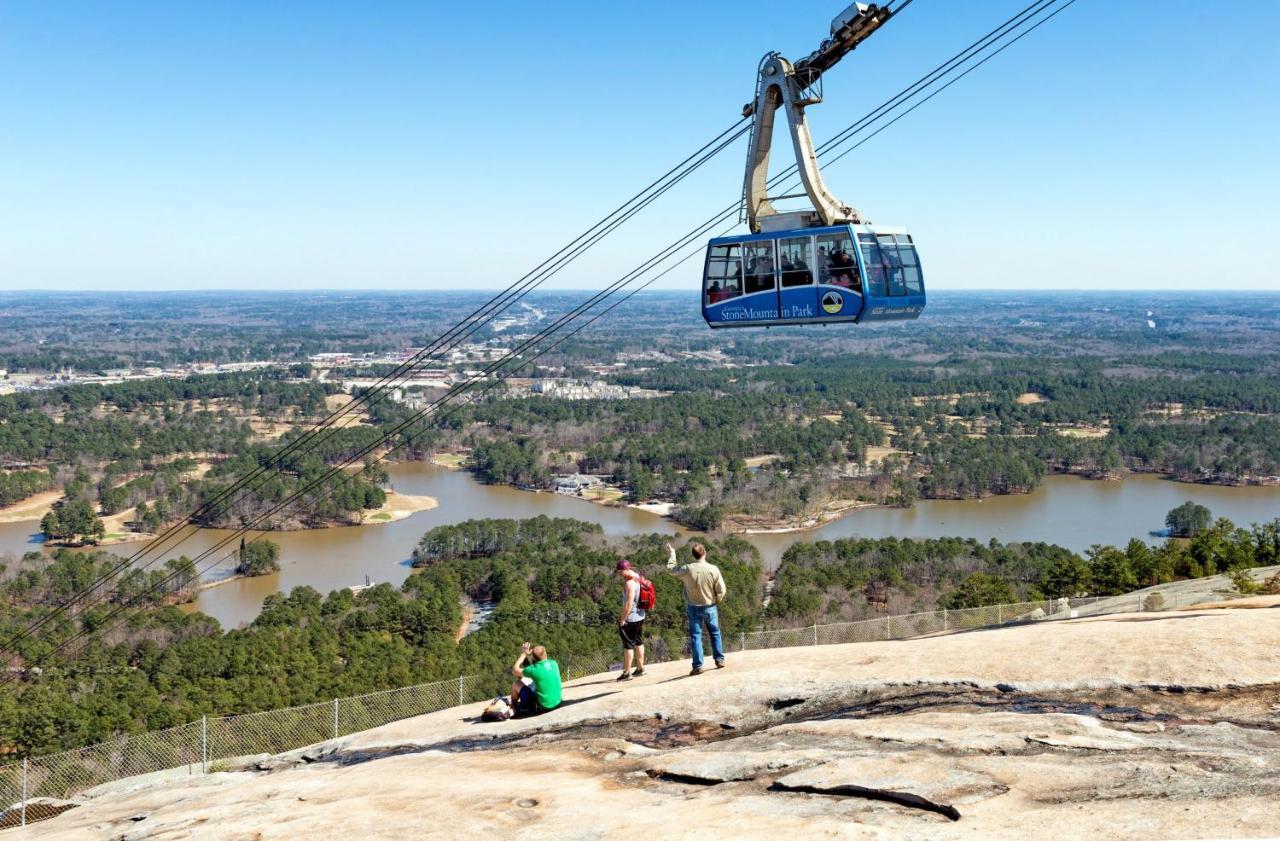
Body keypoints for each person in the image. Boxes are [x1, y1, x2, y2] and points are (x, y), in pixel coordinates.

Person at [665, 542, 727, 675]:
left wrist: (672, 554)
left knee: (696, 636)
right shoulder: (713, 569)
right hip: (710, 606)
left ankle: (698, 665)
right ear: (705, 553)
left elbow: (671, 569)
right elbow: (721, 589)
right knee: (715, 633)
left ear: (693, 555)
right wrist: (717, 600)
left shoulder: (688, 568)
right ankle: (719, 659)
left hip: (693, 607)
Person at [509, 641, 562, 717]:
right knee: (531, 681)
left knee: (517, 684)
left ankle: (515, 709)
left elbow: (515, 670)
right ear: (546, 654)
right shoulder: (554, 663)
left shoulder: (534, 670)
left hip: (544, 708)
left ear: (533, 658)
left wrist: (524, 654)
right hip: (557, 703)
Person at [614, 559, 647, 681]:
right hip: (640, 615)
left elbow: (629, 603)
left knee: (628, 646)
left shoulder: (629, 583)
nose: (620, 574)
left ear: (627, 569)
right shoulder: (637, 576)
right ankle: (640, 668)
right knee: (638, 641)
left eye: (621, 572)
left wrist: (623, 619)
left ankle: (627, 673)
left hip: (631, 618)